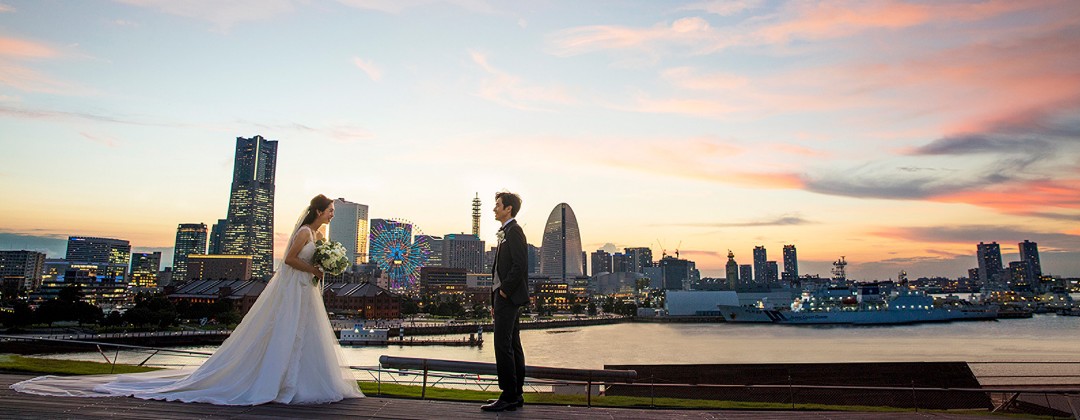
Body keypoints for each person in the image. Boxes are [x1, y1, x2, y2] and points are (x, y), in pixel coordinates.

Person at [11, 194, 364, 405]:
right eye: (331, 209)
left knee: (306, 335)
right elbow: (288, 260)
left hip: (306, 291)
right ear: (319, 210)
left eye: (334, 210)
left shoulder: (318, 233)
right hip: (296, 288)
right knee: (287, 331)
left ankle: (303, 381)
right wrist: (316, 269)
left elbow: (306, 258)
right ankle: (279, 382)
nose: (333, 213)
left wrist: (319, 266)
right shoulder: (305, 231)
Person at [481, 191, 529, 412]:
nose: (494, 208)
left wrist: (504, 293)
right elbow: (499, 270)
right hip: (503, 297)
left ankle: (508, 394)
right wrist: (495, 299)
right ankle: (516, 394)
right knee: (513, 343)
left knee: (502, 344)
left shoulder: (515, 231)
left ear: (508, 208)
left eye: (498, 204)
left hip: (508, 297)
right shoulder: (506, 232)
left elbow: (520, 265)